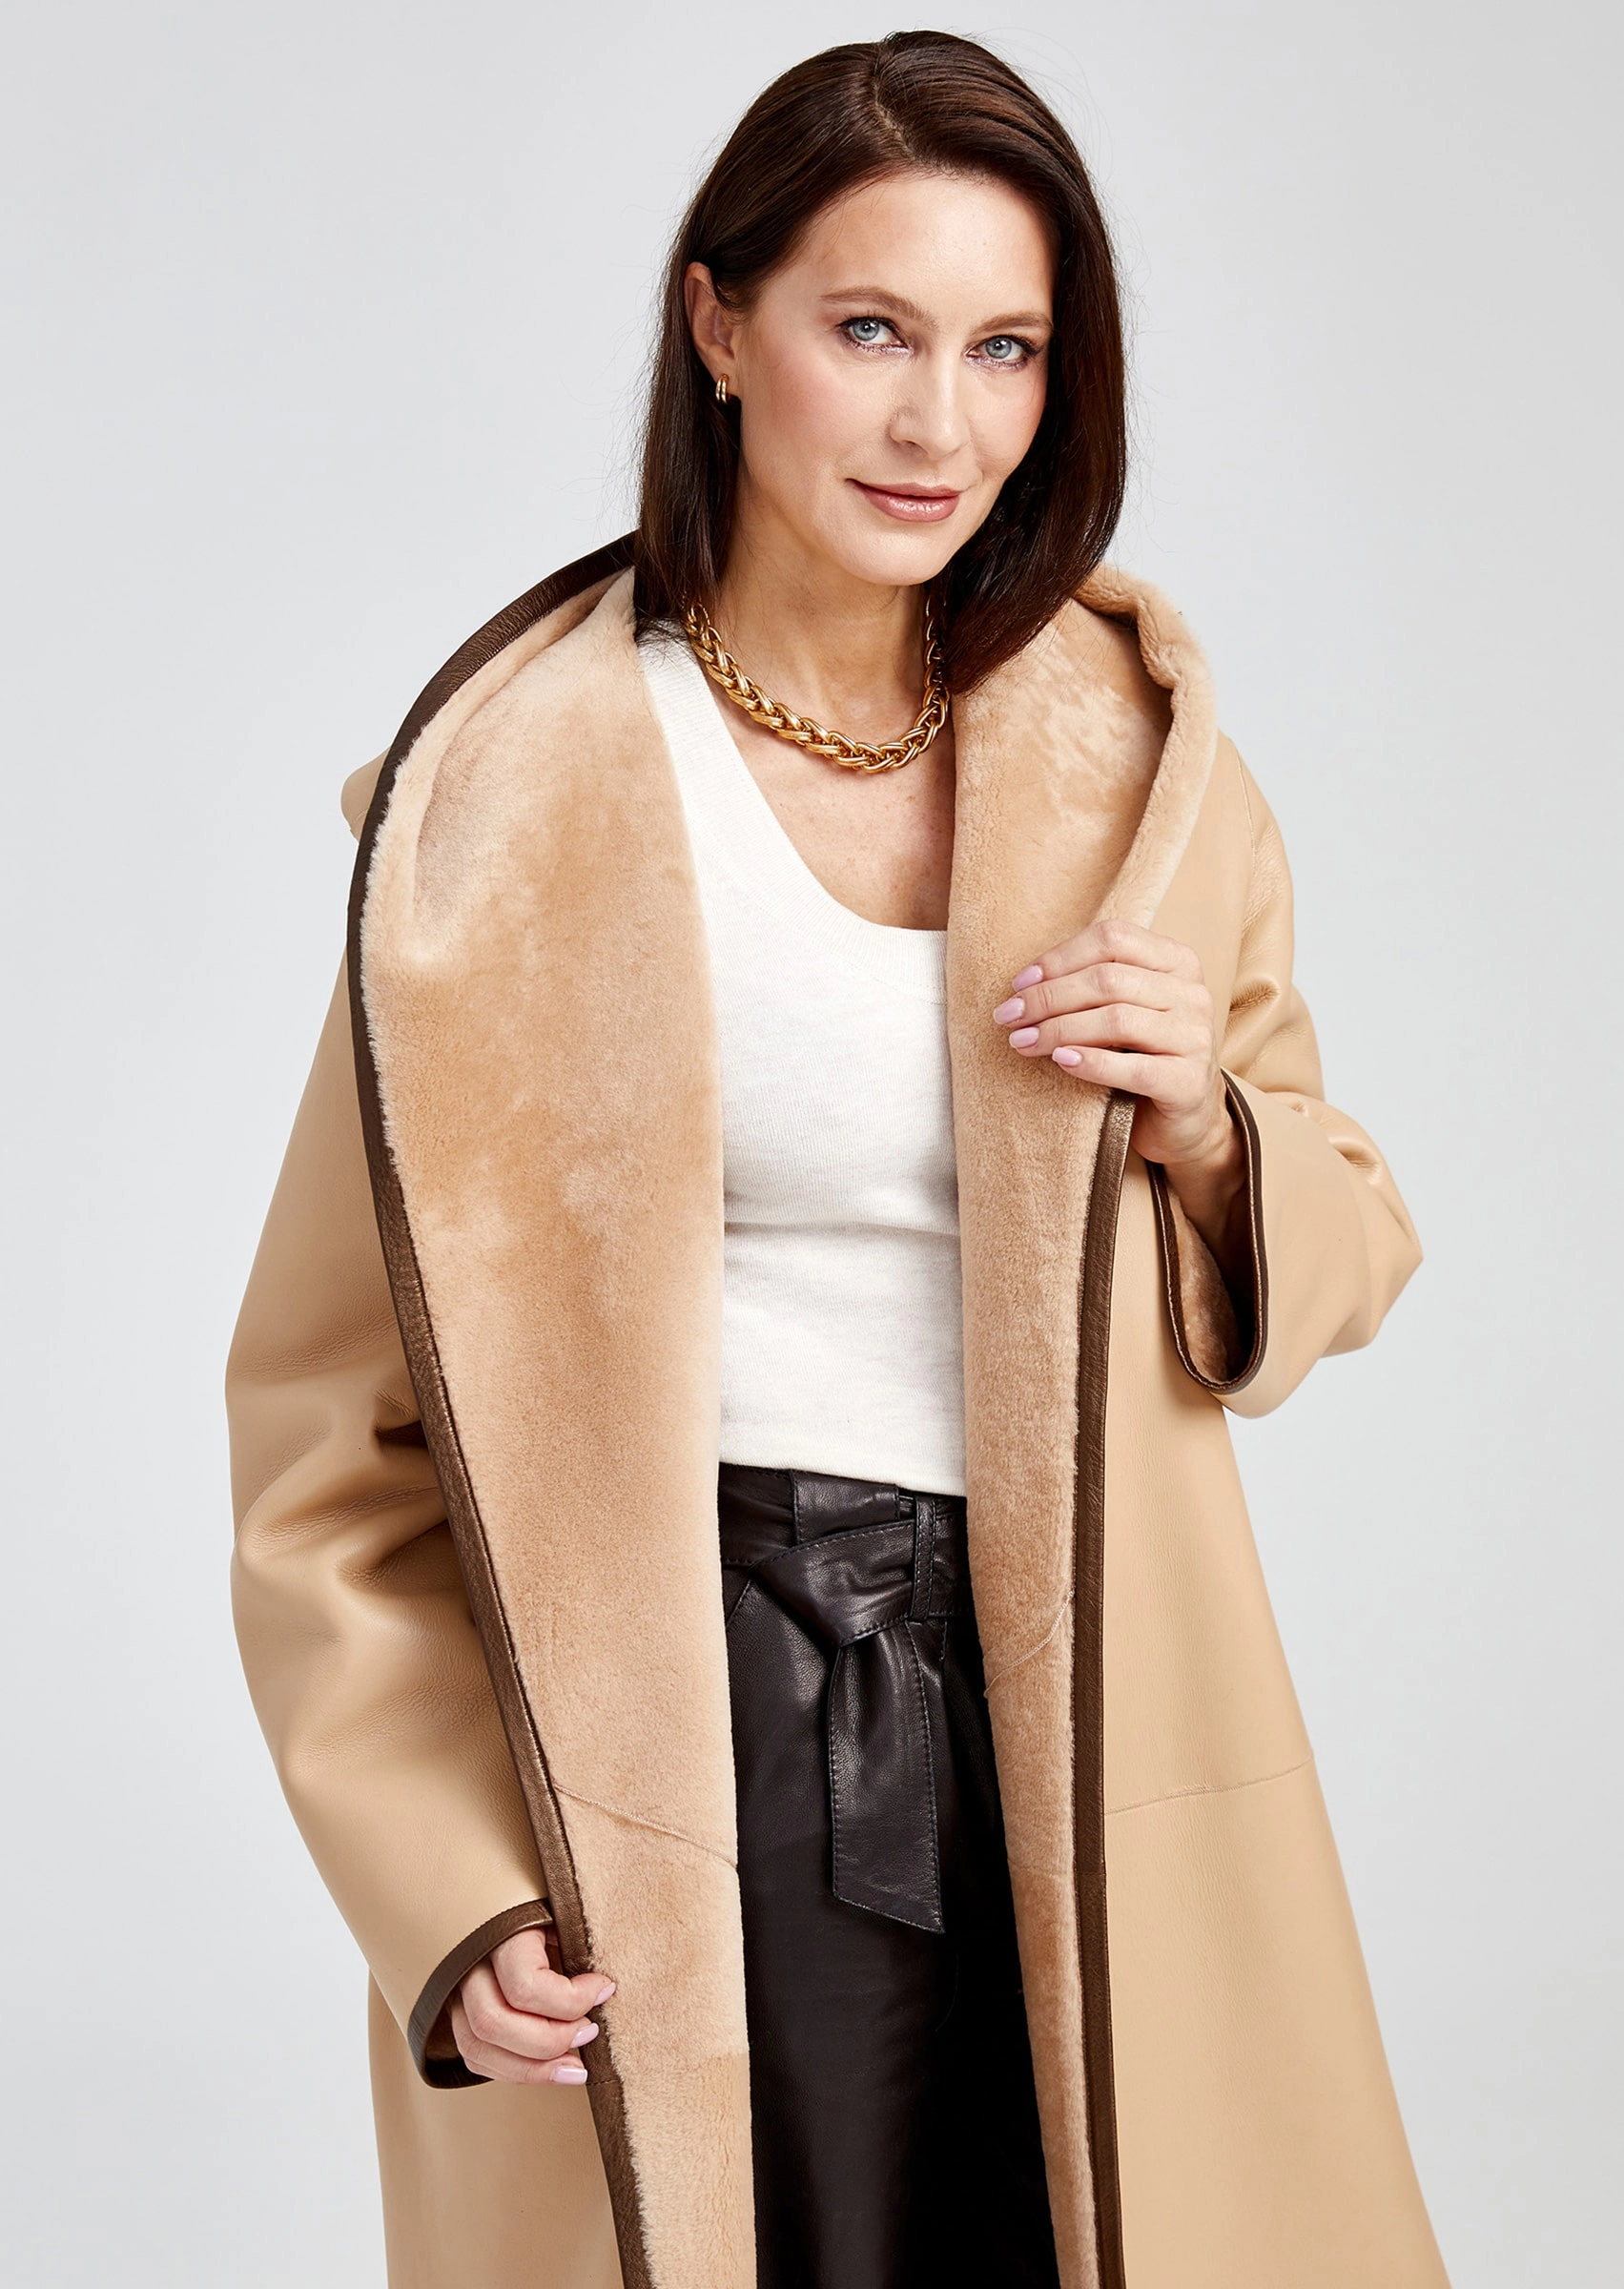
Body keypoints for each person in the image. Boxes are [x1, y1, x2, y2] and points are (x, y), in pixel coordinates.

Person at [228, 31, 1449, 2289]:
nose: (938, 424)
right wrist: (447, 1888)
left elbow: (1351, 1232)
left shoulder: (1140, 773)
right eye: (870, 328)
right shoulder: (509, 818)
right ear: (718, 326)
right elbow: (327, 1432)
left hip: (1095, 1710)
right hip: (690, 1713)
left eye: (1006, 350)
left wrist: (1208, 1127)